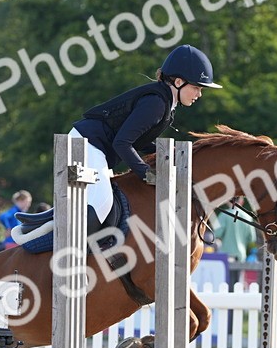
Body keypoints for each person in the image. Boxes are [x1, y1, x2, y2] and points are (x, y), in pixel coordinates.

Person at [70, 44, 221, 225]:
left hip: (95, 146)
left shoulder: (165, 102)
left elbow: (137, 141)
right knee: (103, 204)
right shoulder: (156, 103)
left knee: (107, 204)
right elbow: (122, 143)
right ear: (179, 82)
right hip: (87, 145)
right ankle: (77, 250)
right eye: (197, 87)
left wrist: (166, 152)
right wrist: (147, 174)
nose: (199, 94)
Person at [211, 199, 258, 264]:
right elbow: (252, 239)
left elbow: (216, 234)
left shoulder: (223, 215)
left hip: (225, 256)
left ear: (228, 201)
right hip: (241, 256)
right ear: (242, 201)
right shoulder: (248, 217)